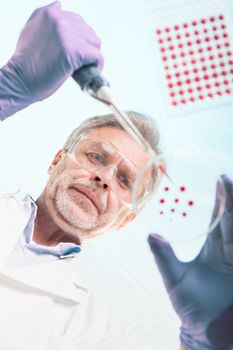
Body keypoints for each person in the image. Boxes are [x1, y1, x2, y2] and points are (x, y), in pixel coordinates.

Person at [0, 3, 162, 349]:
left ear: (125, 220)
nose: (103, 177)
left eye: (124, 181)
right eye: (96, 156)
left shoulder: (92, 331)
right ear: (58, 159)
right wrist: (5, 89)